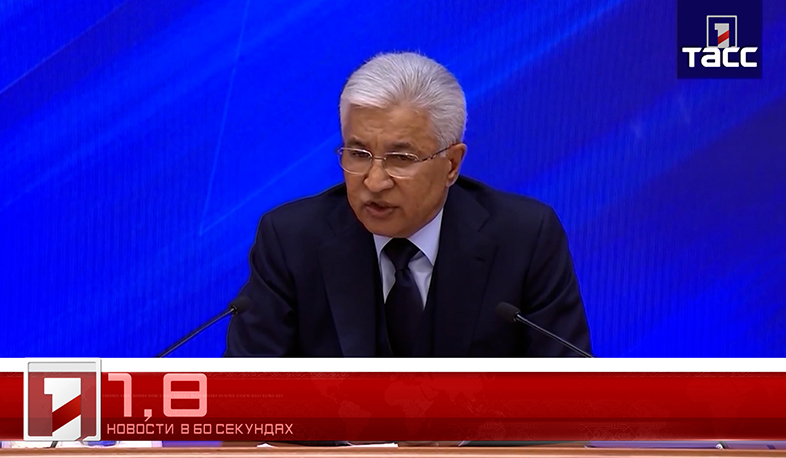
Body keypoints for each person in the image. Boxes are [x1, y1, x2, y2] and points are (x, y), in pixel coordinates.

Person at [224, 52, 591, 357]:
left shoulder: (524, 238)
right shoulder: (291, 240)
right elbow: (246, 399)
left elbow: (568, 397)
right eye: (358, 154)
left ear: (451, 164)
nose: (374, 181)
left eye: (401, 158)